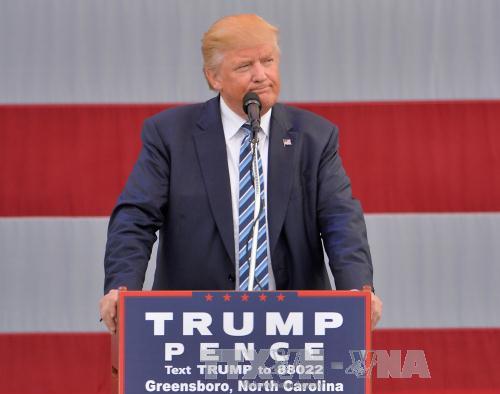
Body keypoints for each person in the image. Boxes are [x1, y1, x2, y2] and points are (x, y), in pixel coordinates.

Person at [99, 14, 382, 333]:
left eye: (268, 61)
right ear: (213, 77)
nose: (261, 75)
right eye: (245, 66)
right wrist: (121, 286)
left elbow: (340, 219)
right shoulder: (170, 136)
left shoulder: (315, 137)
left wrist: (357, 289)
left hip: (294, 325)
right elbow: (135, 218)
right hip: (195, 325)